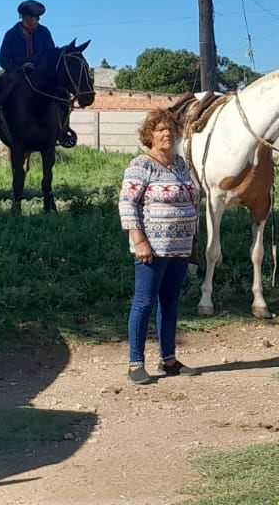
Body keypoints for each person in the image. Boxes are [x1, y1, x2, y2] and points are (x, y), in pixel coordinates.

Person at [118, 108, 201, 385]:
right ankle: (135, 363)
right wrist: (139, 241)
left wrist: (193, 240)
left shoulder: (179, 164)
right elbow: (127, 205)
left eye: (171, 130)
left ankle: (168, 359)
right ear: (149, 136)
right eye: (160, 130)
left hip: (180, 247)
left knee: (170, 303)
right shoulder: (141, 166)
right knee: (144, 303)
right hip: (152, 249)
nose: (167, 134)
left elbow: (193, 200)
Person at [0, 0, 73, 146]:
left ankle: (64, 128)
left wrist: (39, 66)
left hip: (41, 74)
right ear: (24, 17)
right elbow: (2, 59)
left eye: (38, 18)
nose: (37, 20)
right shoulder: (11, 34)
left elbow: (51, 55)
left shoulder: (44, 32)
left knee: (63, 93)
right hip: (17, 74)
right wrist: (18, 67)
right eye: (34, 17)